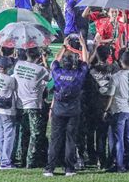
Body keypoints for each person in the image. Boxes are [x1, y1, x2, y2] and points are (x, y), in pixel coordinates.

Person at [44, 35, 89, 177]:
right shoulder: (78, 75)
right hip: (73, 110)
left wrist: (64, 46)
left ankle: (50, 168)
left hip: (58, 110)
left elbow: (55, 61)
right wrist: (82, 46)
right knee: (71, 140)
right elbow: (86, 61)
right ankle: (69, 168)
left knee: (55, 139)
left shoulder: (57, 73)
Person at [13, 47, 51, 168]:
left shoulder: (18, 65)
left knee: (24, 132)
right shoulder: (40, 69)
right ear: (38, 57)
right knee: (35, 134)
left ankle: (22, 158)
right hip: (34, 105)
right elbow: (50, 75)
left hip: (20, 104)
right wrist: (44, 61)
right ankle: (31, 161)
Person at [105, 51, 129, 173]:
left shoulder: (116, 77)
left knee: (119, 139)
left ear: (120, 62)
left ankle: (119, 165)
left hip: (120, 110)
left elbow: (110, 96)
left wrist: (106, 109)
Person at [87, 45, 118, 169]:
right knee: (108, 135)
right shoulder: (114, 68)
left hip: (95, 106)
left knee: (98, 135)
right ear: (108, 55)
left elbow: (87, 64)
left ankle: (100, 160)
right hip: (110, 106)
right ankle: (110, 160)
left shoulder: (92, 70)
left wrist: (94, 51)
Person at [0, 56, 18, 170]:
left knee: (1, 134)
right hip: (7, 110)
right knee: (9, 136)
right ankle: (6, 162)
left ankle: (1, 158)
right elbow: (15, 89)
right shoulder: (10, 79)